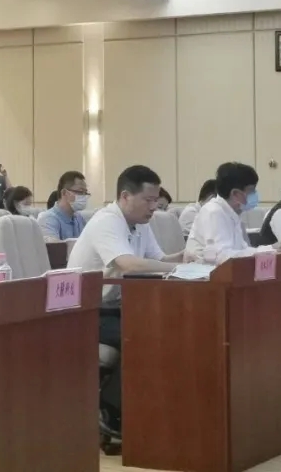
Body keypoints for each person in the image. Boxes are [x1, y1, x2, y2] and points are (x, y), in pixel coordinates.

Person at [65, 165, 184, 440]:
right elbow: (128, 263)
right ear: (125, 196)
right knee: (144, 334)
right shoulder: (107, 221)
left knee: (169, 326)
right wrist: (178, 269)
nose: (154, 207)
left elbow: (159, 260)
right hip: (85, 312)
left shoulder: (140, 223)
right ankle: (109, 410)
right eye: (148, 200)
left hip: (116, 308)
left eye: (156, 200)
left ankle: (152, 413)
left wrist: (186, 257)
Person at [185, 162, 271, 262]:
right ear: (235, 193)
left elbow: (243, 250)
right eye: (251, 191)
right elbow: (222, 256)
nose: (255, 195)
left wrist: (271, 249)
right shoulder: (213, 212)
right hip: (202, 270)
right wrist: (267, 250)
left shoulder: (232, 214)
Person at [37, 171, 88, 240]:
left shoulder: (79, 218)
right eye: (80, 192)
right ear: (64, 193)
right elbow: (54, 246)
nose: (84, 196)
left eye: (85, 193)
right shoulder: (47, 219)